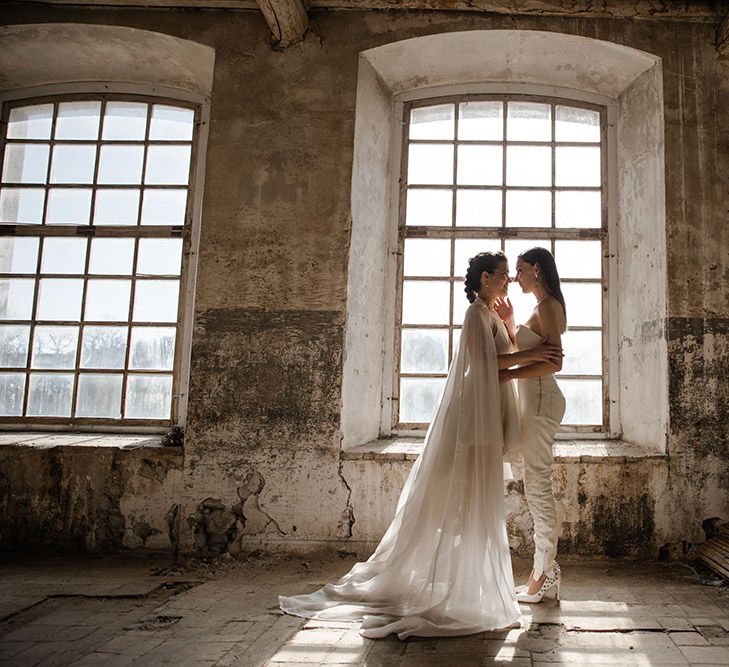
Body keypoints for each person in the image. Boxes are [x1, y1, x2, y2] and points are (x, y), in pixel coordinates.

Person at [279, 251, 560, 639]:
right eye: (501, 275)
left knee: (479, 499)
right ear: (483, 279)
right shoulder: (475, 314)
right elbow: (481, 365)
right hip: (473, 416)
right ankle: (457, 585)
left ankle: (472, 583)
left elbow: (499, 354)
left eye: (511, 275)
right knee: (467, 499)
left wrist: (512, 327)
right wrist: (531, 353)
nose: (508, 280)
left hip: (487, 413)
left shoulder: (491, 313)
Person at [495, 246, 567, 604]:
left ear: (536, 270)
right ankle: (544, 573)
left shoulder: (550, 306)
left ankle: (544, 573)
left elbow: (554, 362)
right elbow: (531, 350)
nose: (515, 277)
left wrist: (507, 377)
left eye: (520, 270)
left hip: (541, 403)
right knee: (534, 487)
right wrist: (510, 324)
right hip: (533, 404)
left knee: (538, 490)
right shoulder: (539, 308)